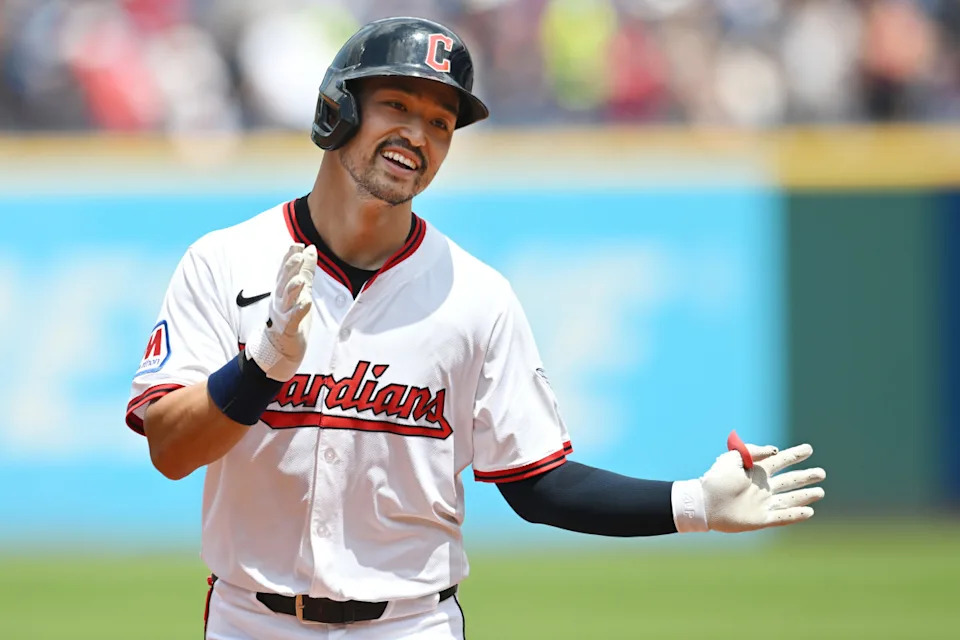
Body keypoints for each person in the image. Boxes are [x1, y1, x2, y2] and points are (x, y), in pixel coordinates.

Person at [125, 16, 826, 640]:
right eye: (397, 105)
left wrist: (694, 503)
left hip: (412, 623)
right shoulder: (225, 261)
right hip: (252, 620)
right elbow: (170, 448)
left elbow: (536, 483)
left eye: (439, 121)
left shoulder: (477, 297)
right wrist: (259, 370)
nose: (418, 134)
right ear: (336, 113)